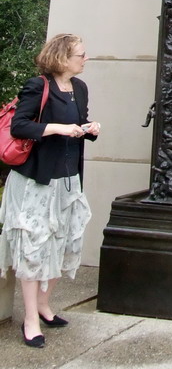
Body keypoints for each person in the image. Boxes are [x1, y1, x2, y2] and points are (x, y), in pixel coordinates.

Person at [0, 34, 100, 348]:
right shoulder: (38, 86)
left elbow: (78, 124)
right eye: (81, 55)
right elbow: (20, 126)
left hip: (69, 181)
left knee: (67, 242)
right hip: (36, 182)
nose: (85, 59)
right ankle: (30, 319)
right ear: (62, 58)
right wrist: (56, 128)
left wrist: (90, 129)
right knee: (33, 248)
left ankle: (45, 305)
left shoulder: (80, 88)